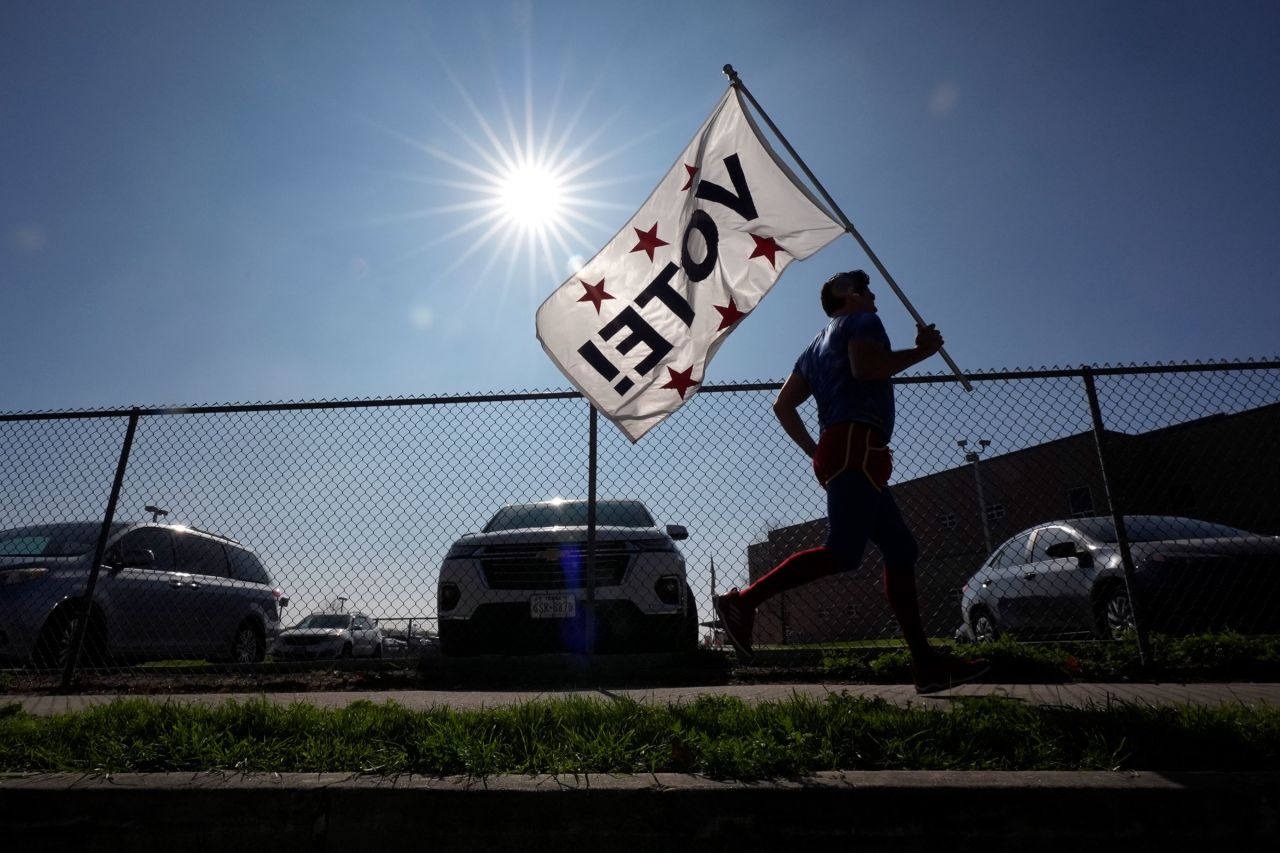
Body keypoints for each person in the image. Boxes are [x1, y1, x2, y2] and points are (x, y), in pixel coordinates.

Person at [712, 269, 988, 694]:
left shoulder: (814, 346)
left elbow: (783, 405)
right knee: (844, 552)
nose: (873, 296)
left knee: (901, 548)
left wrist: (816, 450)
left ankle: (926, 664)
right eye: (865, 289)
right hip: (856, 443)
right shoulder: (861, 321)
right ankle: (741, 602)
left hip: (845, 448)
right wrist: (923, 352)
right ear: (847, 296)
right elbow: (866, 368)